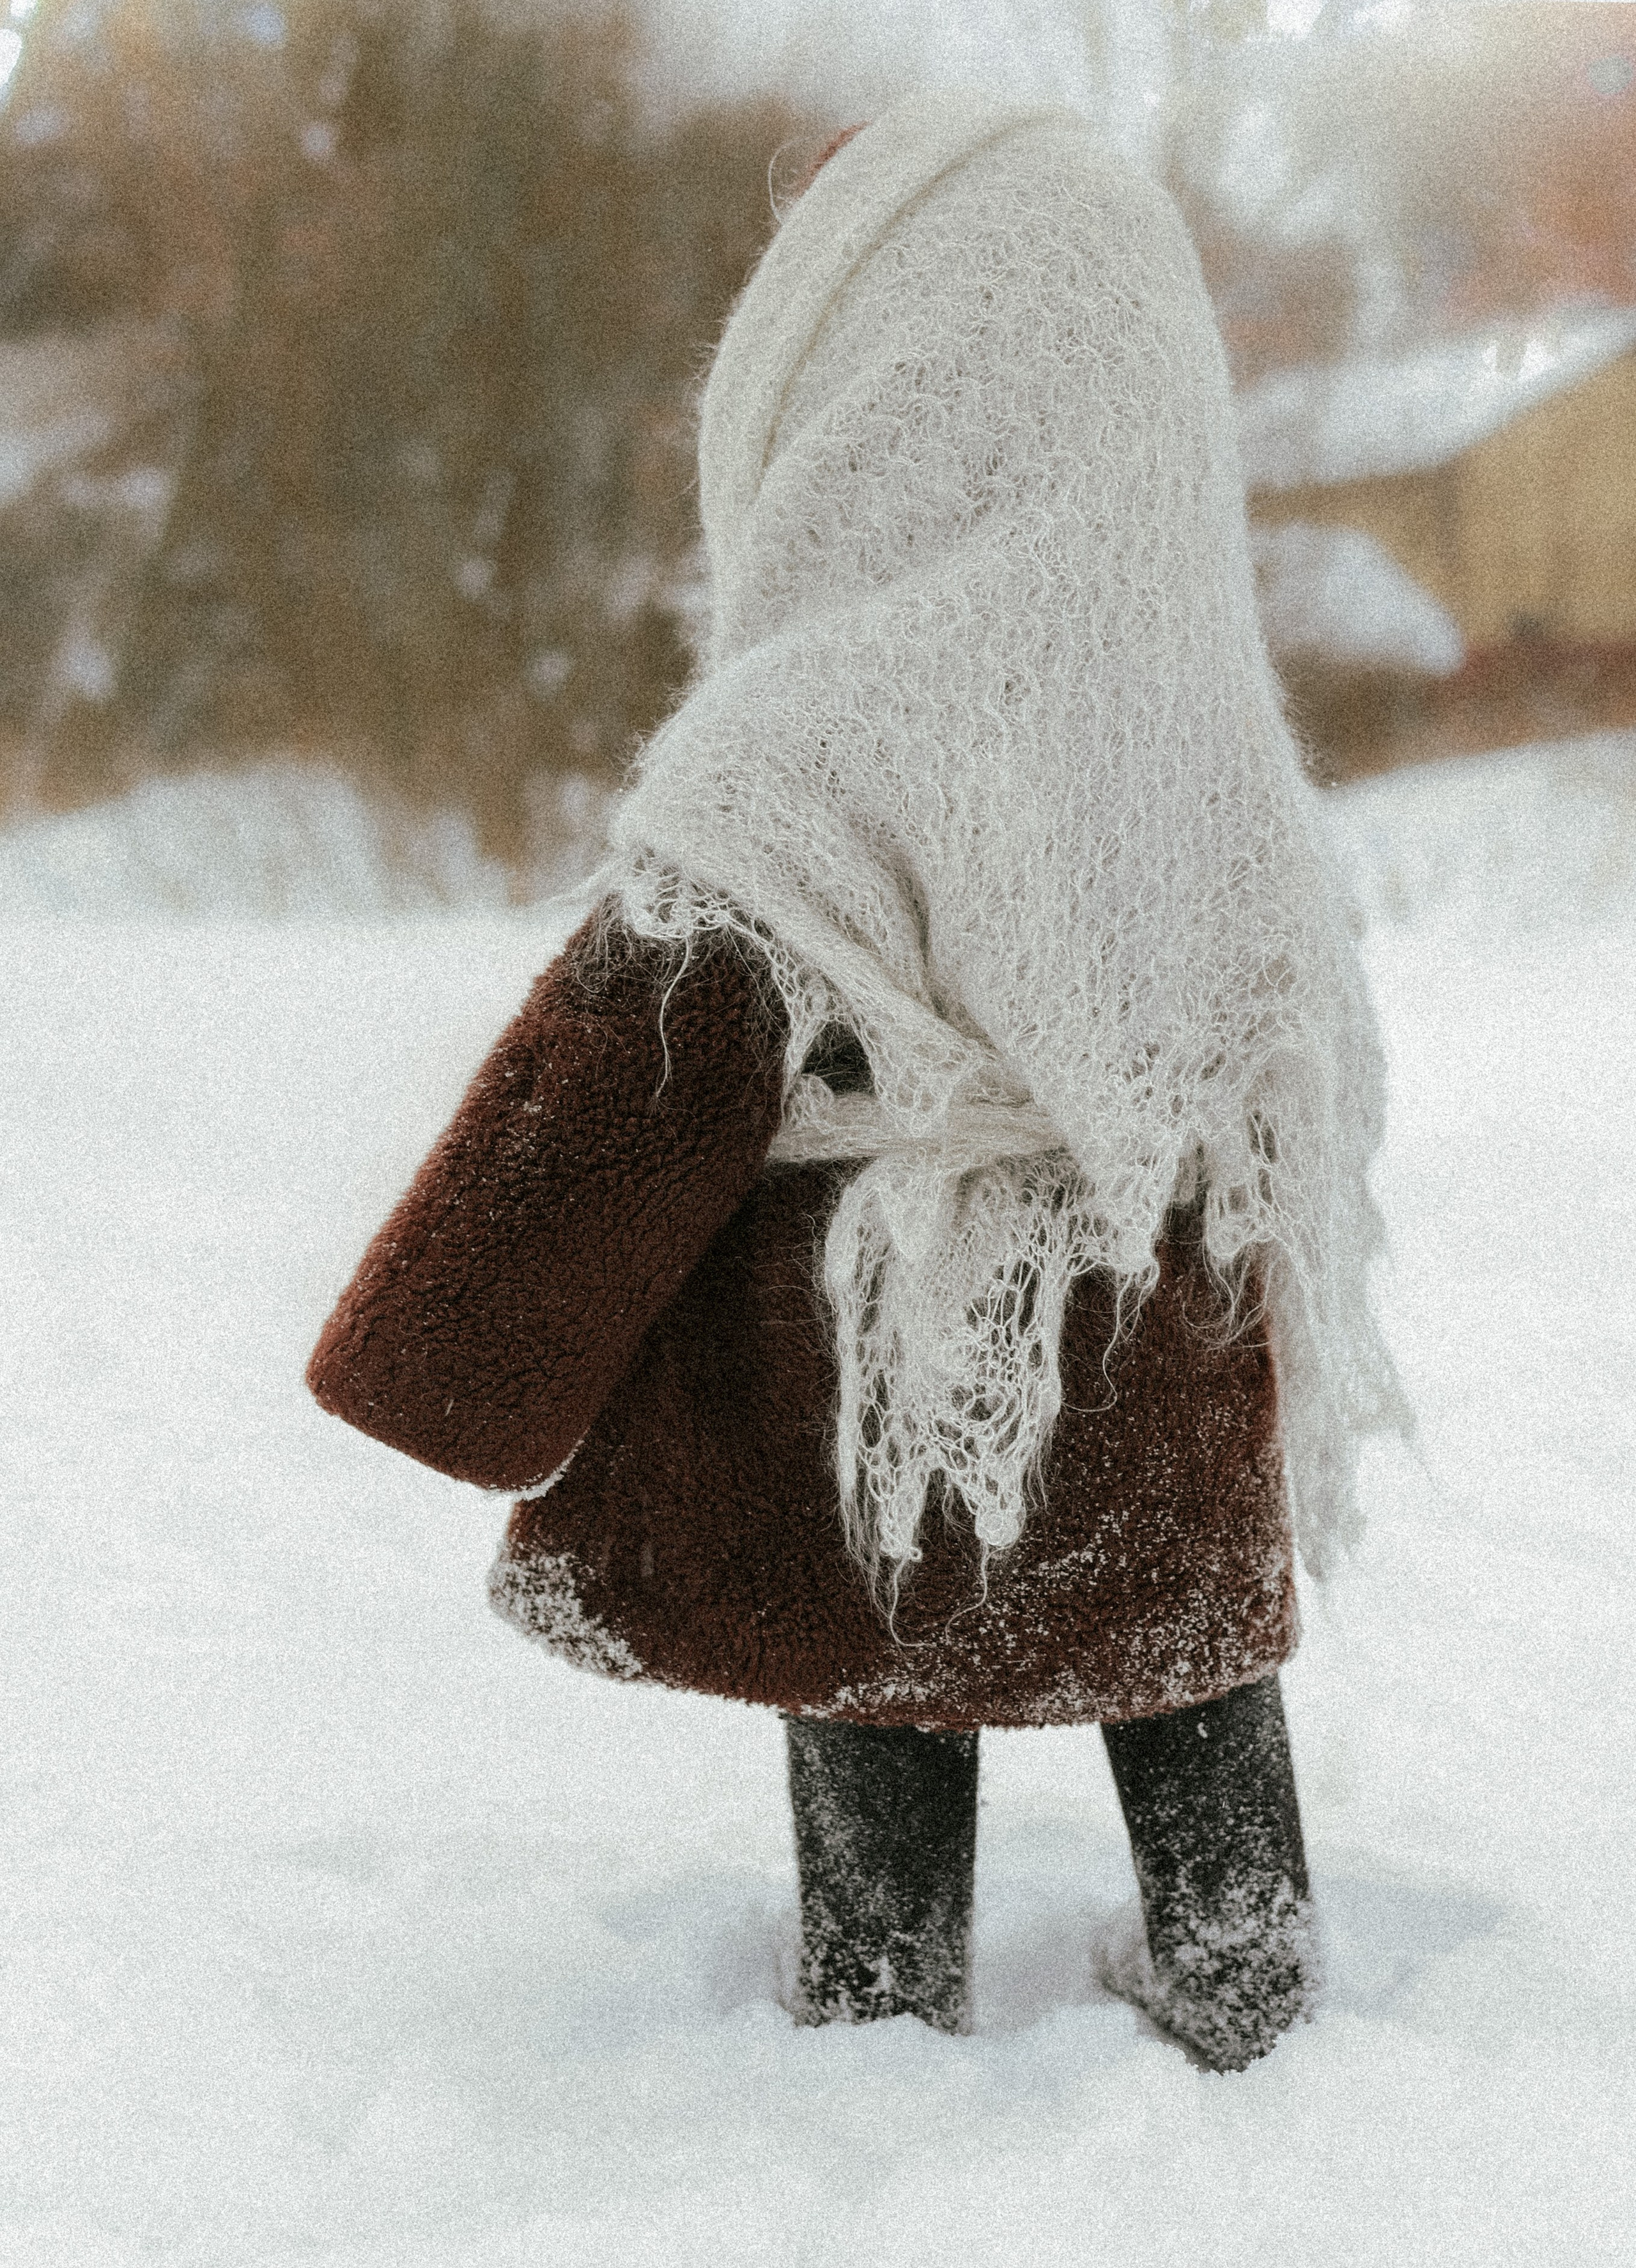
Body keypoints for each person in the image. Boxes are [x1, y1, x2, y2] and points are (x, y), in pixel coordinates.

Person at [307, 91, 1404, 2070]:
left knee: (872, 1652)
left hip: (883, 1380)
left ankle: (884, 1998)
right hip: (1156, 1404)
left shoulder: (821, 728)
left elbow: (641, 1051)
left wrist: (450, 1340)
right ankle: (1244, 1964)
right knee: (1187, 1687)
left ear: (871, 394)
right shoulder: (1209, 725)